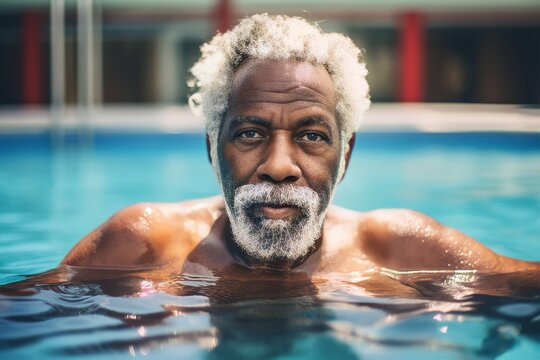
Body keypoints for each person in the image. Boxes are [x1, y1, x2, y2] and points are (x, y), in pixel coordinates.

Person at [61, 14, 539, 279]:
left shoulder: (405, 253)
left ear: (345, 154)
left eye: (311, 136)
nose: (280, 166)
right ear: (212, 148)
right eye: (250, 134)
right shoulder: (141, 246)